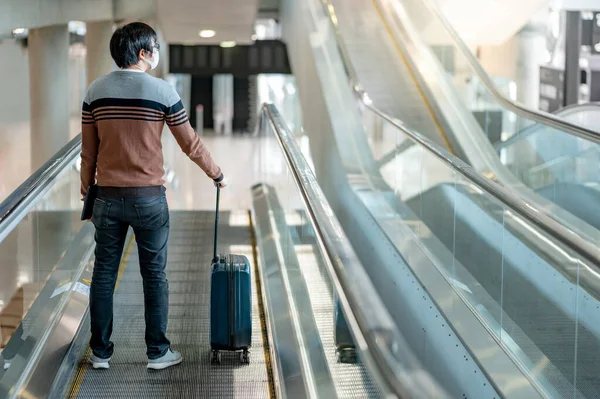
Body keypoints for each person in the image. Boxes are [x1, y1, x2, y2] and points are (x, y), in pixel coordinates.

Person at [80, 22, 225, 370]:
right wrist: (216, 173)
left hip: (108, 198)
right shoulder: (162, 92)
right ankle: (157, 352)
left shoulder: (95, 91)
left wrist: (87, 188)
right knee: (155, 275)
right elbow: (189, 143)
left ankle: (100, 352)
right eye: (155, 46)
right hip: (149, 200)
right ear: (144, 53)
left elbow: (89, 152)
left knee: (103, 274)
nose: (157, 52)